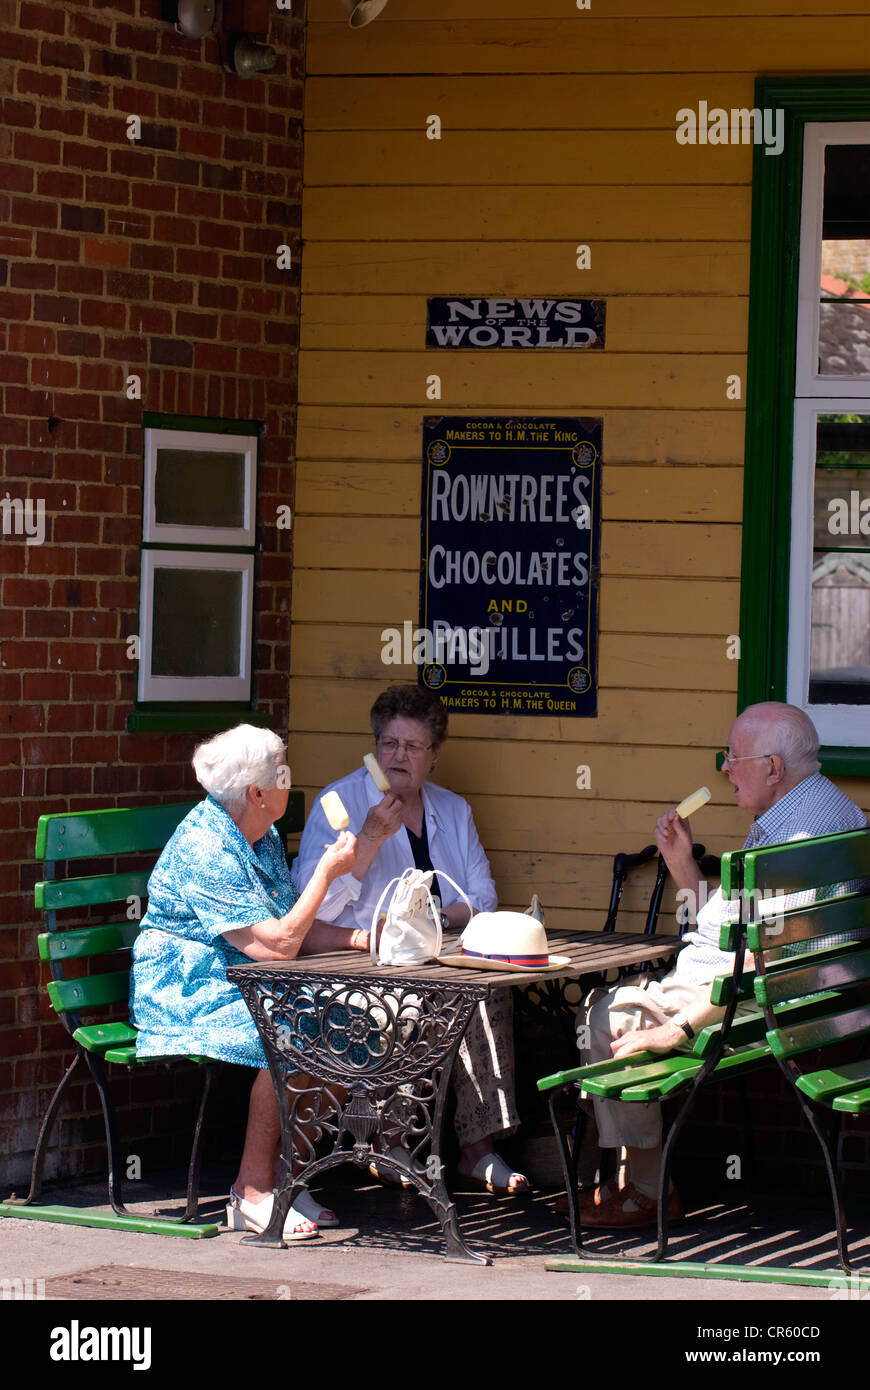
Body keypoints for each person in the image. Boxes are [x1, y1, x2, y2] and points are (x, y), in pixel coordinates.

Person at [573, 701, 867, 1229]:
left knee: (608, 1017)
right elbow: (739, 928)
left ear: (773, 768)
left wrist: (677, 1030)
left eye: (734, 757)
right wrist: (682, 863)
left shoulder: (796, 839)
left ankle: (645, 1190)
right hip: (794, 998)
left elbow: (761, 955)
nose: (725, 769)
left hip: (756, 1006)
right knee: (612, 1008)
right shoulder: (816, 812)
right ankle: (631, 1181)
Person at [130, 723, 372, 1240]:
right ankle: (252, 1191)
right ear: (258, 792)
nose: (292, 778)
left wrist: (362, 939)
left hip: (243, 980)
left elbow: (292, 927)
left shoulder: (258, 837)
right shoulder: (206, 845)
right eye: (283, 772)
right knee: (290, 1034)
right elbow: (278, 946)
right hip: (189, 989)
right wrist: (327, 873)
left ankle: (290, 1175)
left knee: (349, 1025)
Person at [292, 683, 530, 1195]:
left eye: (412, 747)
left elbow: (482, 895)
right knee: (406, 1002)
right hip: (360, 961)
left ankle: (477, 1148)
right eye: (388, 745)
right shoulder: (342, 801)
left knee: (491, 992)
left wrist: (436, 924)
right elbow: (314, 904)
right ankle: (391, 1140)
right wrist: (372, 838)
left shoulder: (453, 809)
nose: (398, 756)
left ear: (434, 755)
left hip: (438, 952)